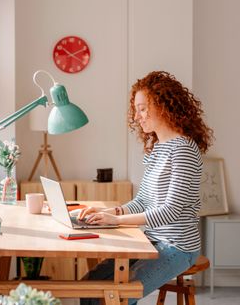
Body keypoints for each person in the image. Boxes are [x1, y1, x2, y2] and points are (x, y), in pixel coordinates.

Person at [79, 71, 214, 305]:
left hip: (178, 246)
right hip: (151, 240)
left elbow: (171, 210)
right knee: (89, 285)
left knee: (117, 297)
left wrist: (116, 222)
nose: (137, 117)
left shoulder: (183, 150)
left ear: (163, 105)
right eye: (136, 110)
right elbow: (142, 201)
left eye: (142, 108)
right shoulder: (157, 149)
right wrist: (109, 214)